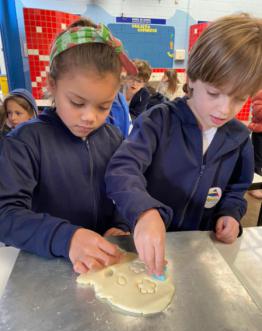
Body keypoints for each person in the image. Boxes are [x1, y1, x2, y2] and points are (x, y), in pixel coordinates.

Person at [105, 13, 262, 276]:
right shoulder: (157, 122)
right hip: (144, 246)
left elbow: (236, 189)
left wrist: (231, 214)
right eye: (214, 93)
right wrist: (143, 211)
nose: (225, 109)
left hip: (198, 248)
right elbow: (122, 170)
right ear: (190, 79)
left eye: (239, 99)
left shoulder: (238, 138)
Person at [0, 18, 138, 273]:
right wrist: (67, 238)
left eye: (103, 106)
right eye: (77, 102)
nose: (90, 117)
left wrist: (119, 225)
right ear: (52, 85)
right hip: (46, 266)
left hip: (101, 263)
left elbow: (120, 195)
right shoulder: (25, 142)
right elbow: (5, 216)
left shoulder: (113, 139)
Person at [248, 90, 262, 199]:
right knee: (257, 159)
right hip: (259, 132)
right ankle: (254, 187)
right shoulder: (259, 94)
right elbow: (257, 112)